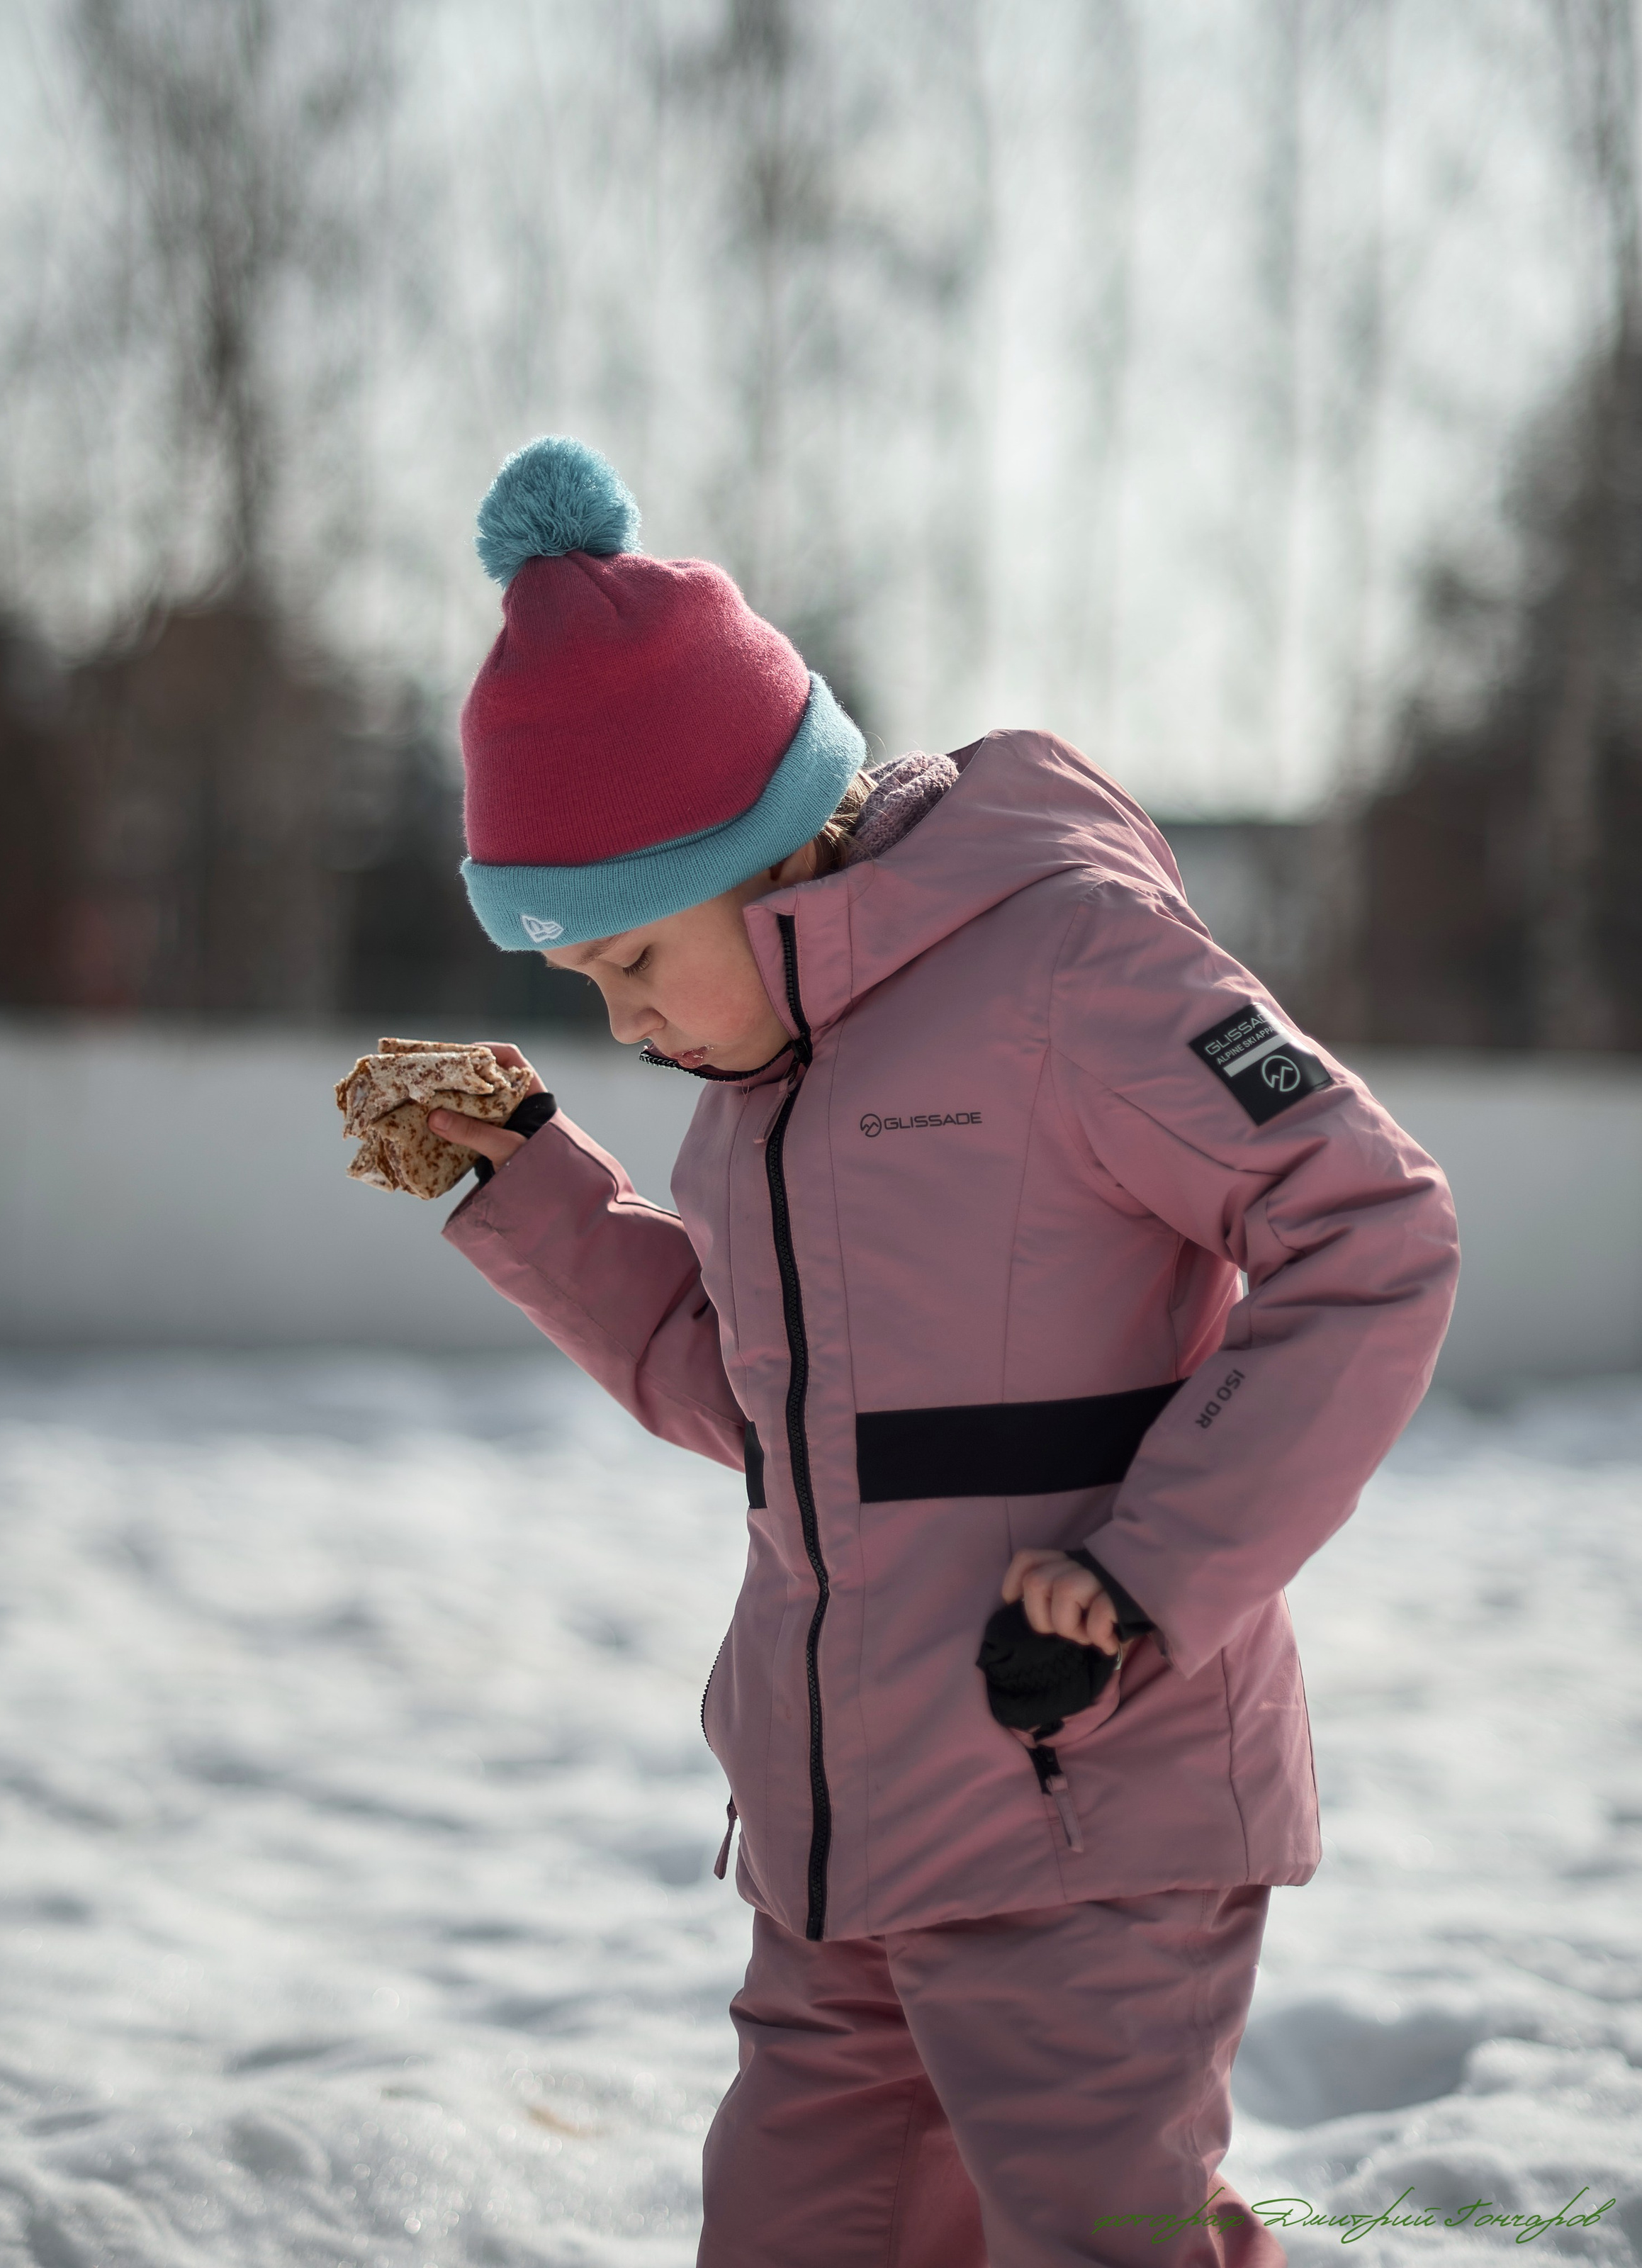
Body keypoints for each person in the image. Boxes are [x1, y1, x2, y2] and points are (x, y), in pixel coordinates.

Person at [434, 436, 1460, 2268]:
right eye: (593, 992)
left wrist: (1148, 1578)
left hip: (1082, 1809)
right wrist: (521, 1187)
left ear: (761, 854)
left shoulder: (1069, 966)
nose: (637, 1024)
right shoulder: (760, 1090)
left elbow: (1373, 1231)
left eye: (641, 961)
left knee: (1099, 2237)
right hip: (839, 1835)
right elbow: (748, 1399)